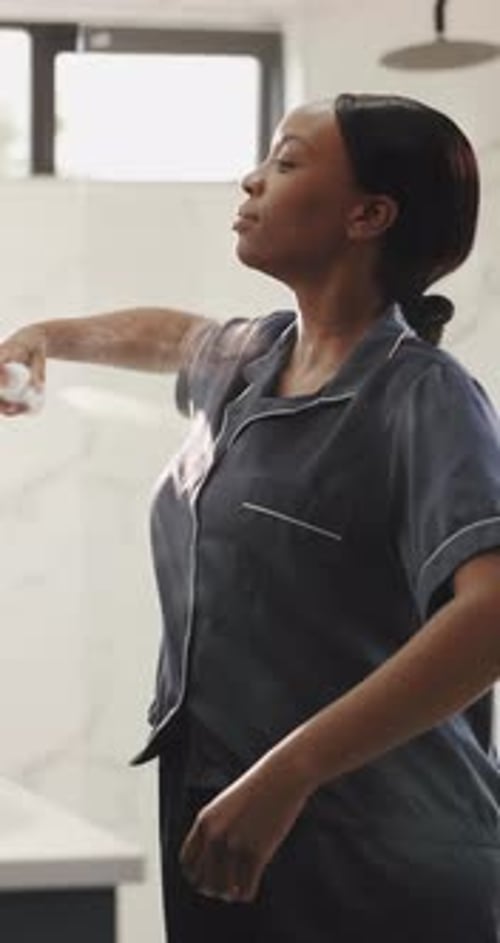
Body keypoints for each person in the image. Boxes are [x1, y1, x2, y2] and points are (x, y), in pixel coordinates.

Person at [1, 92, 500, 943]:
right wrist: (47, 333)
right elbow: (167, 337)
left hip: (381, 865)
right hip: (232, 841)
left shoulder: (422, 397)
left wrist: (287, 772)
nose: (252, 178)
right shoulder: (256, 360)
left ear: (368, 214)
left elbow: (490, 620)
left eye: (287, 161)